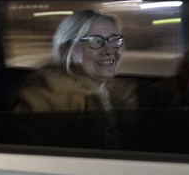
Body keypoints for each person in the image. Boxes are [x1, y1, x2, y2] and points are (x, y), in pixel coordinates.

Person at [14, 9, 138, 149]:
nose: (109, 50)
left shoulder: (117, 88)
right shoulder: (44, 102)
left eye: (115, 40)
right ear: (68, 50)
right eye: (96, 41)